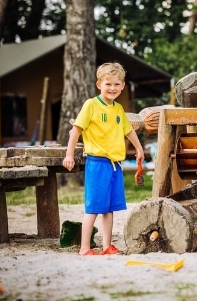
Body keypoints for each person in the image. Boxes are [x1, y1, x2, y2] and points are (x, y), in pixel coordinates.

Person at [62, 62, 145, 256]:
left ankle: (107, 246)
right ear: (99, 84)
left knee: (108, 208)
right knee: (94, 207)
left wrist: (139, 148)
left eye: (117, 84)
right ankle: (84, 248)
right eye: (108, 84)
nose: (112, 88)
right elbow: (76, 131)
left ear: (122, 86)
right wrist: (69, 154)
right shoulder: (91, 105)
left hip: (115, 165)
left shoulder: (118, 109)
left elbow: (129, 130)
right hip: (97, 163)